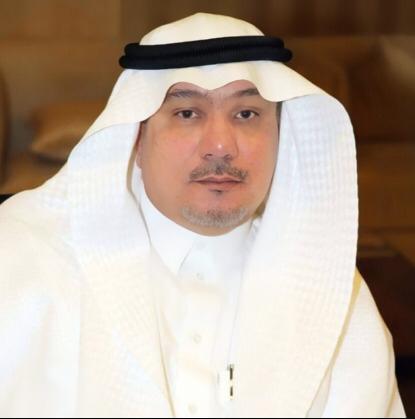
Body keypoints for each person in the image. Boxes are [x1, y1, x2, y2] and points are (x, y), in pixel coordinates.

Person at [0, 12, 406, 418]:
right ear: (137, 139)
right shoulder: (26, 260)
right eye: (187, 113)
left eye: (246, 114)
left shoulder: (332, 292)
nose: (220, 145)